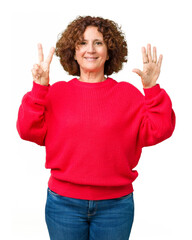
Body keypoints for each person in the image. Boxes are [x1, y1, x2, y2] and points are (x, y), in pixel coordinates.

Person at [16, 16, 176, 240]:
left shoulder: (128, 95)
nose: (90, 49)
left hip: (115, 207)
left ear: (109, 51)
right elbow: (26, 130)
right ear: (73, 50)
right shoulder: (56, 93)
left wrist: (152, 89)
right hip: (63, 204)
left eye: (98, 42)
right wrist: (39, 88)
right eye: (82, 43)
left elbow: (161, 129)